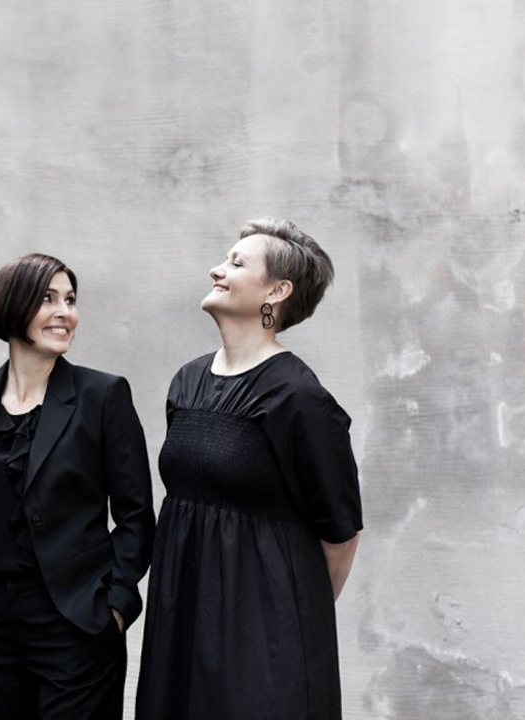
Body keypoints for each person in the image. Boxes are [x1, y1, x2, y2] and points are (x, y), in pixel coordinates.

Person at [136, 218, 363, 720]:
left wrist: (287, 621)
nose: (217, 270)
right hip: (182, 622)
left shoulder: (299, 398)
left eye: (237, 263)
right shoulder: (187, 382)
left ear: (277, 292)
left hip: (262, 643)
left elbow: (341, 535)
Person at [0, 253, 155, 720]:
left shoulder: (103, 396)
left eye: (70, 300)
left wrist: (114, 604)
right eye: (48, 299)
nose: (64, 312)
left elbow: (136, 515)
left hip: (76, 620)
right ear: (12, 306)